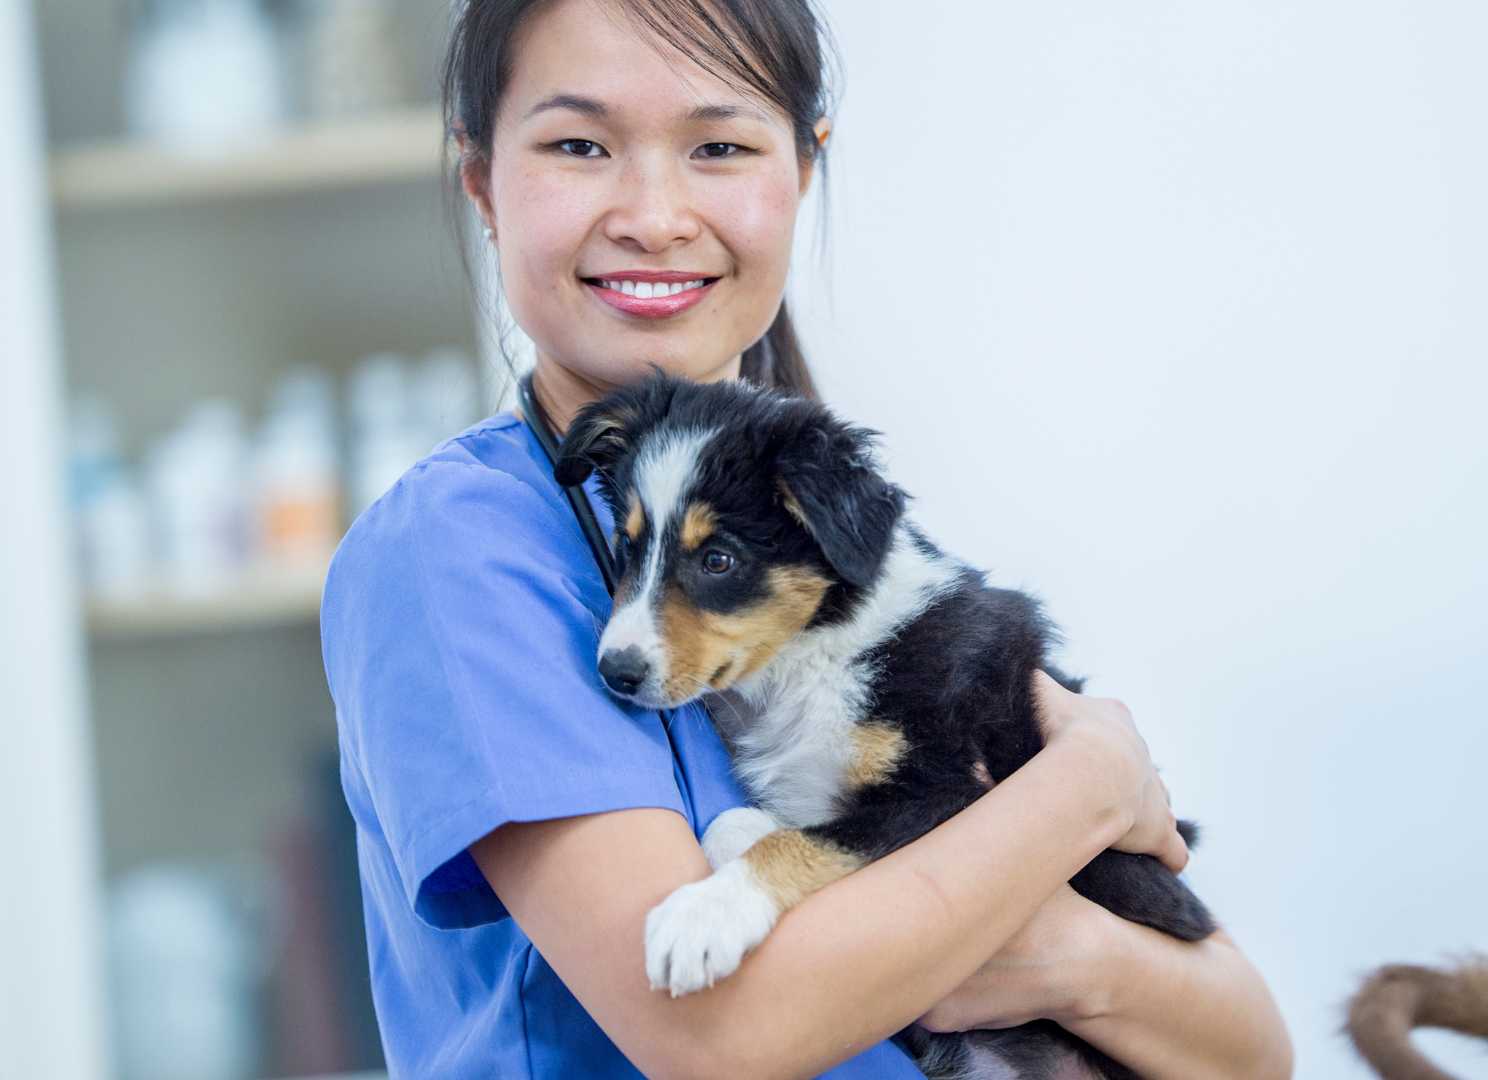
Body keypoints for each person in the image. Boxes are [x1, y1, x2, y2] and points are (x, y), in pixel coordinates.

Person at [319, 0, 1293, 1076]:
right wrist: (1085, 787)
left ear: (803, 169)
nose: (654, 213)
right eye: (579, 145)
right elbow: (720, 1034)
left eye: (720, 146)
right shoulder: (466, 549)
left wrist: (1068, 956)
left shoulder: (830, 548)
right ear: (482, 183)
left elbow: (1247, 1047)